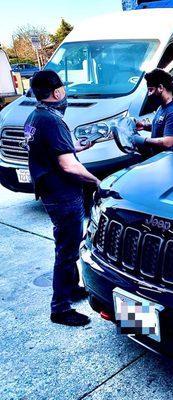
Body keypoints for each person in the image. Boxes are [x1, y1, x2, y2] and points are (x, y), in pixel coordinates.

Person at [24, 70, 100, 326]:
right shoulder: (53, 121)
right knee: (66, 251)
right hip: (63, 194)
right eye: (63, 88)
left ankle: (73, 288)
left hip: (49, 192)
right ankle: (60, 308)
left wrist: (77, 146)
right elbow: (68, 166)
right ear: (57, 92)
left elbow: (51, 149)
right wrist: (98, 182)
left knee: (68, 243)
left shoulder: (35, 116)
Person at [132, 68, 173, 153]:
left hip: (171, 162)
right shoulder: (163, 106)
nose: (149, 94)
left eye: (150, 89)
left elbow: (169, 142)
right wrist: (144, 126)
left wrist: (142, 140)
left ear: (160, 87)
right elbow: (164, 127)